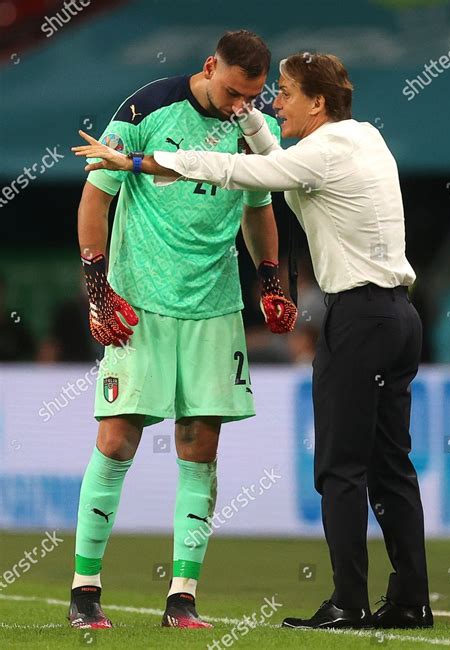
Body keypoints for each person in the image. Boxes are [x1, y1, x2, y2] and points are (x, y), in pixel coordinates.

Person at [74, 51, 433, 631]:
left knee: (340, 468)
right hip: (399, 318)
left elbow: (237, 174)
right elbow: (271, 157)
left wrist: (136, 160)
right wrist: (247, 121)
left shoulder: (314, 155)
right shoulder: (365, 138)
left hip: (357, 318)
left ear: (317, 103)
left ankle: (347, 602)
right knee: (393, 464)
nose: (272, 103)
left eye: (284, 93)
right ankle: (412, 600)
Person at [69, 30, 296, 631]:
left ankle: (182, 599)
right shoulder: (145, 109)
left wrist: (270, 280)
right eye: (229, 92)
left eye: (249, 96)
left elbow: (259, 208)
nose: (236, 106)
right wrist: (98, 287)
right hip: (139, 301)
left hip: (214, 306)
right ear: (208, 67)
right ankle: (85, 591)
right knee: (117, 439)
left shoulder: (250, 128)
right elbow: (96, 199)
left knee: (201, 446)